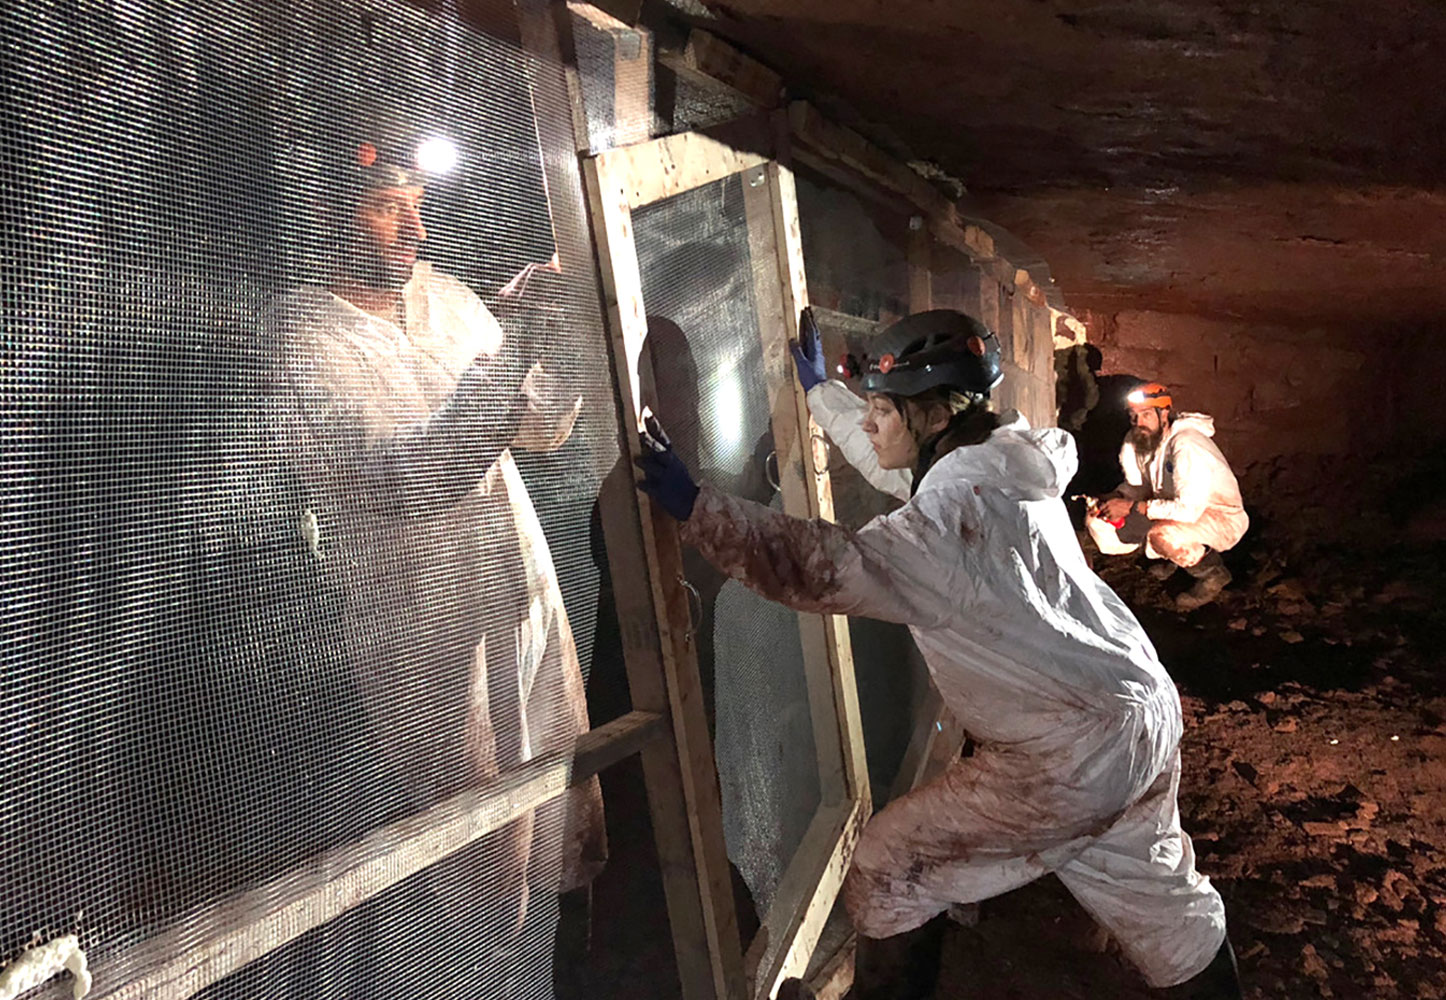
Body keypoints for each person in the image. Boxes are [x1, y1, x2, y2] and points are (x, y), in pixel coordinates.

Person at [636, 308, 1242, 999]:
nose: (870, 424)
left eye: (881, 410)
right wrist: (821, 394)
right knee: (1171, 913)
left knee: (889, 866)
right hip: (1140, 711)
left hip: (1064, 754)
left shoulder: (944, 528)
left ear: (927, 417)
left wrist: (697, 507)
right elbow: (901, 469)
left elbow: (826, 566)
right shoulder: (1007, 466)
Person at [262, 130, 606, 984]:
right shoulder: (302, 336)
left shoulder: (446, 298)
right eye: (386, 209)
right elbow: (416, 474)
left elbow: (537, 426)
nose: (413, 230)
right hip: (426, 636)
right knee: (478, 856)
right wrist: (517, 346)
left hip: (521, 593)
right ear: (323, 218)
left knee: (563, 814)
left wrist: (556, 344)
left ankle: (570, 969)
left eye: (418, 208)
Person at [1086, 382, 1248, 610]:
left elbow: (1189, 510)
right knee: (1096, 518)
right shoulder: (1137, 441)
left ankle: (1213, 575)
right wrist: (1114, 497)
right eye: (1133, 416)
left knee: (1163, 536)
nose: (1138, 423)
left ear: (1163, 414)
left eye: (1145, 415)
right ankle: (1170, 558)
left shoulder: (1186, 445)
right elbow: (1137, 487)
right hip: (1170, 506)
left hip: (1218, 516)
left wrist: (1133, 508)